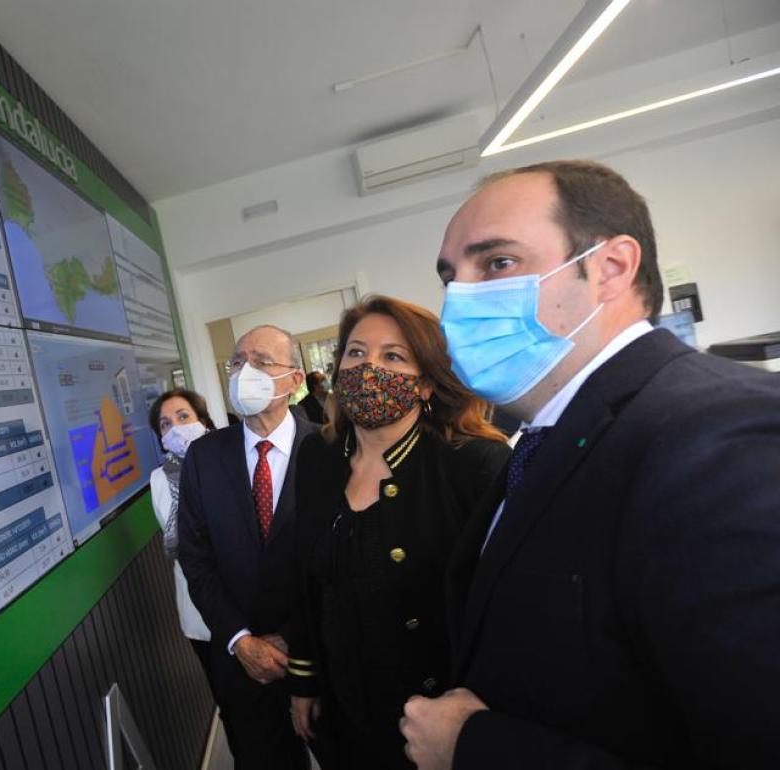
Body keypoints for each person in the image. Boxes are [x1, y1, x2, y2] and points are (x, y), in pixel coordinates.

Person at [399, 159, 780, 769]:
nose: (459, 300)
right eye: (451, 277)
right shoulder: (541, 435)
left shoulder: (721, 436)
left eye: (497, 263)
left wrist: (475, 746)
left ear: (610, 268)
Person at [286, 296, 510, 769]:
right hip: (345, 713)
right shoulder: (316, 459)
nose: (369, 367)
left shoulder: (473, 466)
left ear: (426, 383)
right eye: (356, 352)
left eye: (393, 356)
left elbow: (506, 612)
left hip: (435, 723)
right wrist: (304, 679)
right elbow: (306, 581)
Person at [178, 324, 320, 769]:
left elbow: (346, 560)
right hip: (241, 664)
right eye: (237, 362)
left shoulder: (331, 448)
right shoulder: (204, 457)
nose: (244, 372)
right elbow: (195, 560)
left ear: (295, 381)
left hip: (322, 654)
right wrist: (240, 640)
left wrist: (294, 637)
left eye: (261, 361)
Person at [147, 388, 216, 679]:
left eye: (183, 416)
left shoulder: (232, 460)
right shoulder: (160, 479)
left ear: (202, 421)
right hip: (202, 611)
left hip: (253, 605)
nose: (175, 427)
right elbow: (186, 540)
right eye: (165, 424)